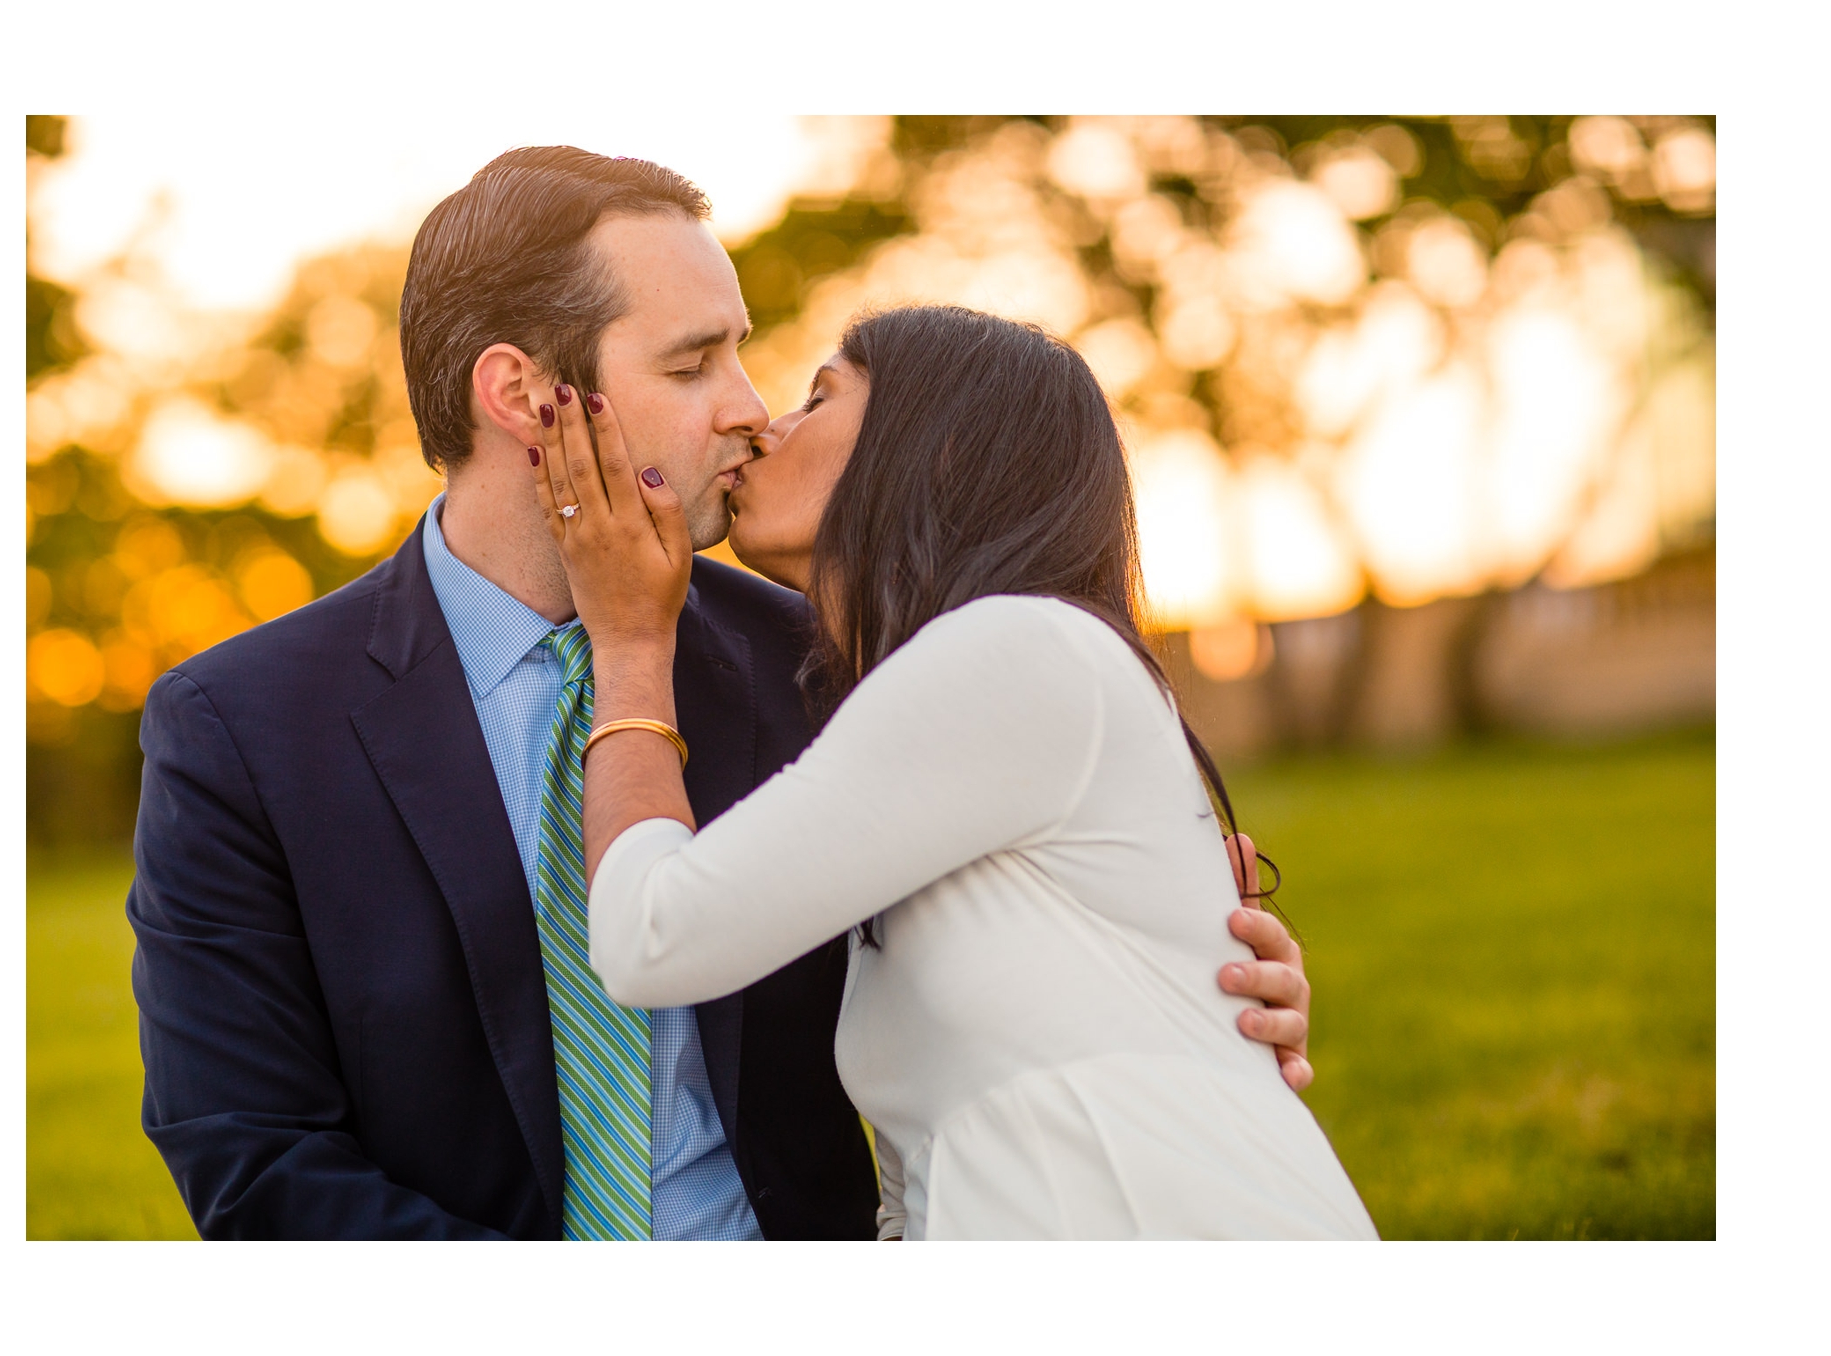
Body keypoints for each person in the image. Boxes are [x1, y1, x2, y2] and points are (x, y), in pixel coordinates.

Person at [127, 147, 1315, 1240]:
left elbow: (1023, 922)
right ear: (523, 397)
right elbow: (251, 1156)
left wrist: (1188, 974)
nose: (748, 409)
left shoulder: (834, 667)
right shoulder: (241, 727)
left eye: (746, 357)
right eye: (694, 363)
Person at [539, 303, 1377, 1239]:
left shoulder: (1020, 647)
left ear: (938, 452)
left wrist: (626, 644)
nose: (763, 424)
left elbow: (653, 934)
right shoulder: (941, 713)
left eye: (819, 397)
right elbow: (916, 1193)